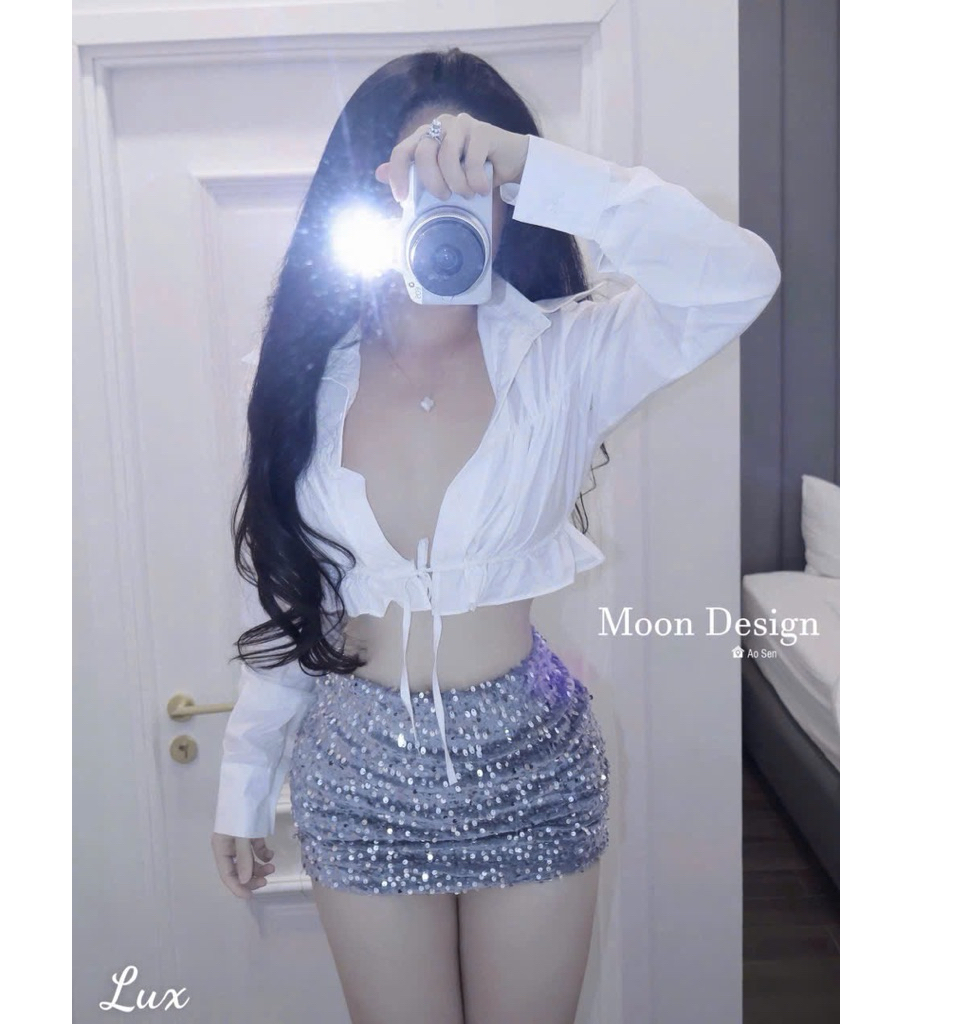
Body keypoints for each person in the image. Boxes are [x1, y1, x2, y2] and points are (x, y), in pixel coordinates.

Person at [210, 48, 780, 1024]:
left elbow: (738, 279)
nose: (439, 200)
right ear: (364, 193)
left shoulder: (569, 353)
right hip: (357, 770)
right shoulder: (302, 374)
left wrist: (537, 166)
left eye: (470, 175)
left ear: (513, 197)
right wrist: (242, 776)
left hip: (532, 758)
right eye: (410, 175)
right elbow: (293, 592)